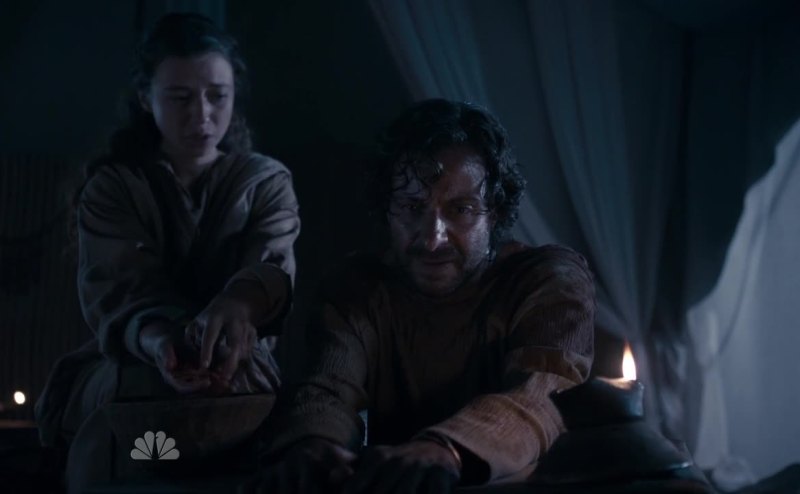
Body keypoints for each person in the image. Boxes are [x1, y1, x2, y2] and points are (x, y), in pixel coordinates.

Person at [258, 99, 594, 493]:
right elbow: (326, 387)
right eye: (412, 207)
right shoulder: (358, 288)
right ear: (387, 209)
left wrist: (445, 450)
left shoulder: (546, 281)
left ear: (494, 213)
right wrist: (315, 446)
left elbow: (542, 395)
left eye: (461, 209)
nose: (432, 239)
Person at [34, 12, 300, 491]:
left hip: (237, 366)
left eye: (217, 96)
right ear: (146, 98)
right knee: (136, 427)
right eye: (180, 97)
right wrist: (163, 343)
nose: (201, 115)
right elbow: (121, 289)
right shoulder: (114, 187)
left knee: (262, 417)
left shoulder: (265, 182)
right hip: (138, 363)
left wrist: (239, 305)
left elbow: (271, 266)